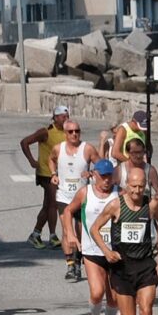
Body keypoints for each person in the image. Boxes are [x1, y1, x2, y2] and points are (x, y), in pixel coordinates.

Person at [90, 166, 158, 315]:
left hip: (145, 266)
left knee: (147, 310)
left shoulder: (151, 205)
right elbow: (95, 228)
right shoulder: (116, 205)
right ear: (126, 186)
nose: (137, 191)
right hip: (122, 267)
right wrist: (106, 251)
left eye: (141, 186)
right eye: (133, 186)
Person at [61, 158, 120, 315]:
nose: (106, 180)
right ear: (94, 175)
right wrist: (70, 233)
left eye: (109, 176)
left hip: (114, 252)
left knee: (114, 298)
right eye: (102, 176)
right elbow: (68, 211)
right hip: (92, 250)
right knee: (96, 292)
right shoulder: (85, 193)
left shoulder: (120, 194)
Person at [50, 119, 100, 281]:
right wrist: (53, 175)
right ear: (65, 133)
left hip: (82, 197)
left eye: (77, 131)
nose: (74, 134)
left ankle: (78, 261)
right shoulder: (58, 149)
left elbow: (101, 167)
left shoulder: (88, 149)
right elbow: (50, 160)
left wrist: (91, 173)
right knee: (66, 230)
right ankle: (70, 264)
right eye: (71, 131)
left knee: (80, 232)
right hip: (64, 197)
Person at [20, 105, 69, 249]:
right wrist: (31, 160)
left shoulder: (68, 132)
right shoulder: (46, 132)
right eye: (62, 116)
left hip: (60, 174)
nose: (66, 119)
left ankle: (35, 234)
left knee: (47, 205)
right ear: (55, 117)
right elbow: (24, 142)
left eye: (67, 116)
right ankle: (53, 236)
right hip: (46, 173)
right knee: (53, 204)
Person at [115, 138, 158, 203]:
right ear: (128, 153)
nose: (138, 156)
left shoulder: (150, 170)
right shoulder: (119, 170)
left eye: (141, 152)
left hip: (144, 207)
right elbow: (109, 188)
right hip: (124, 207)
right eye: (135, 153)